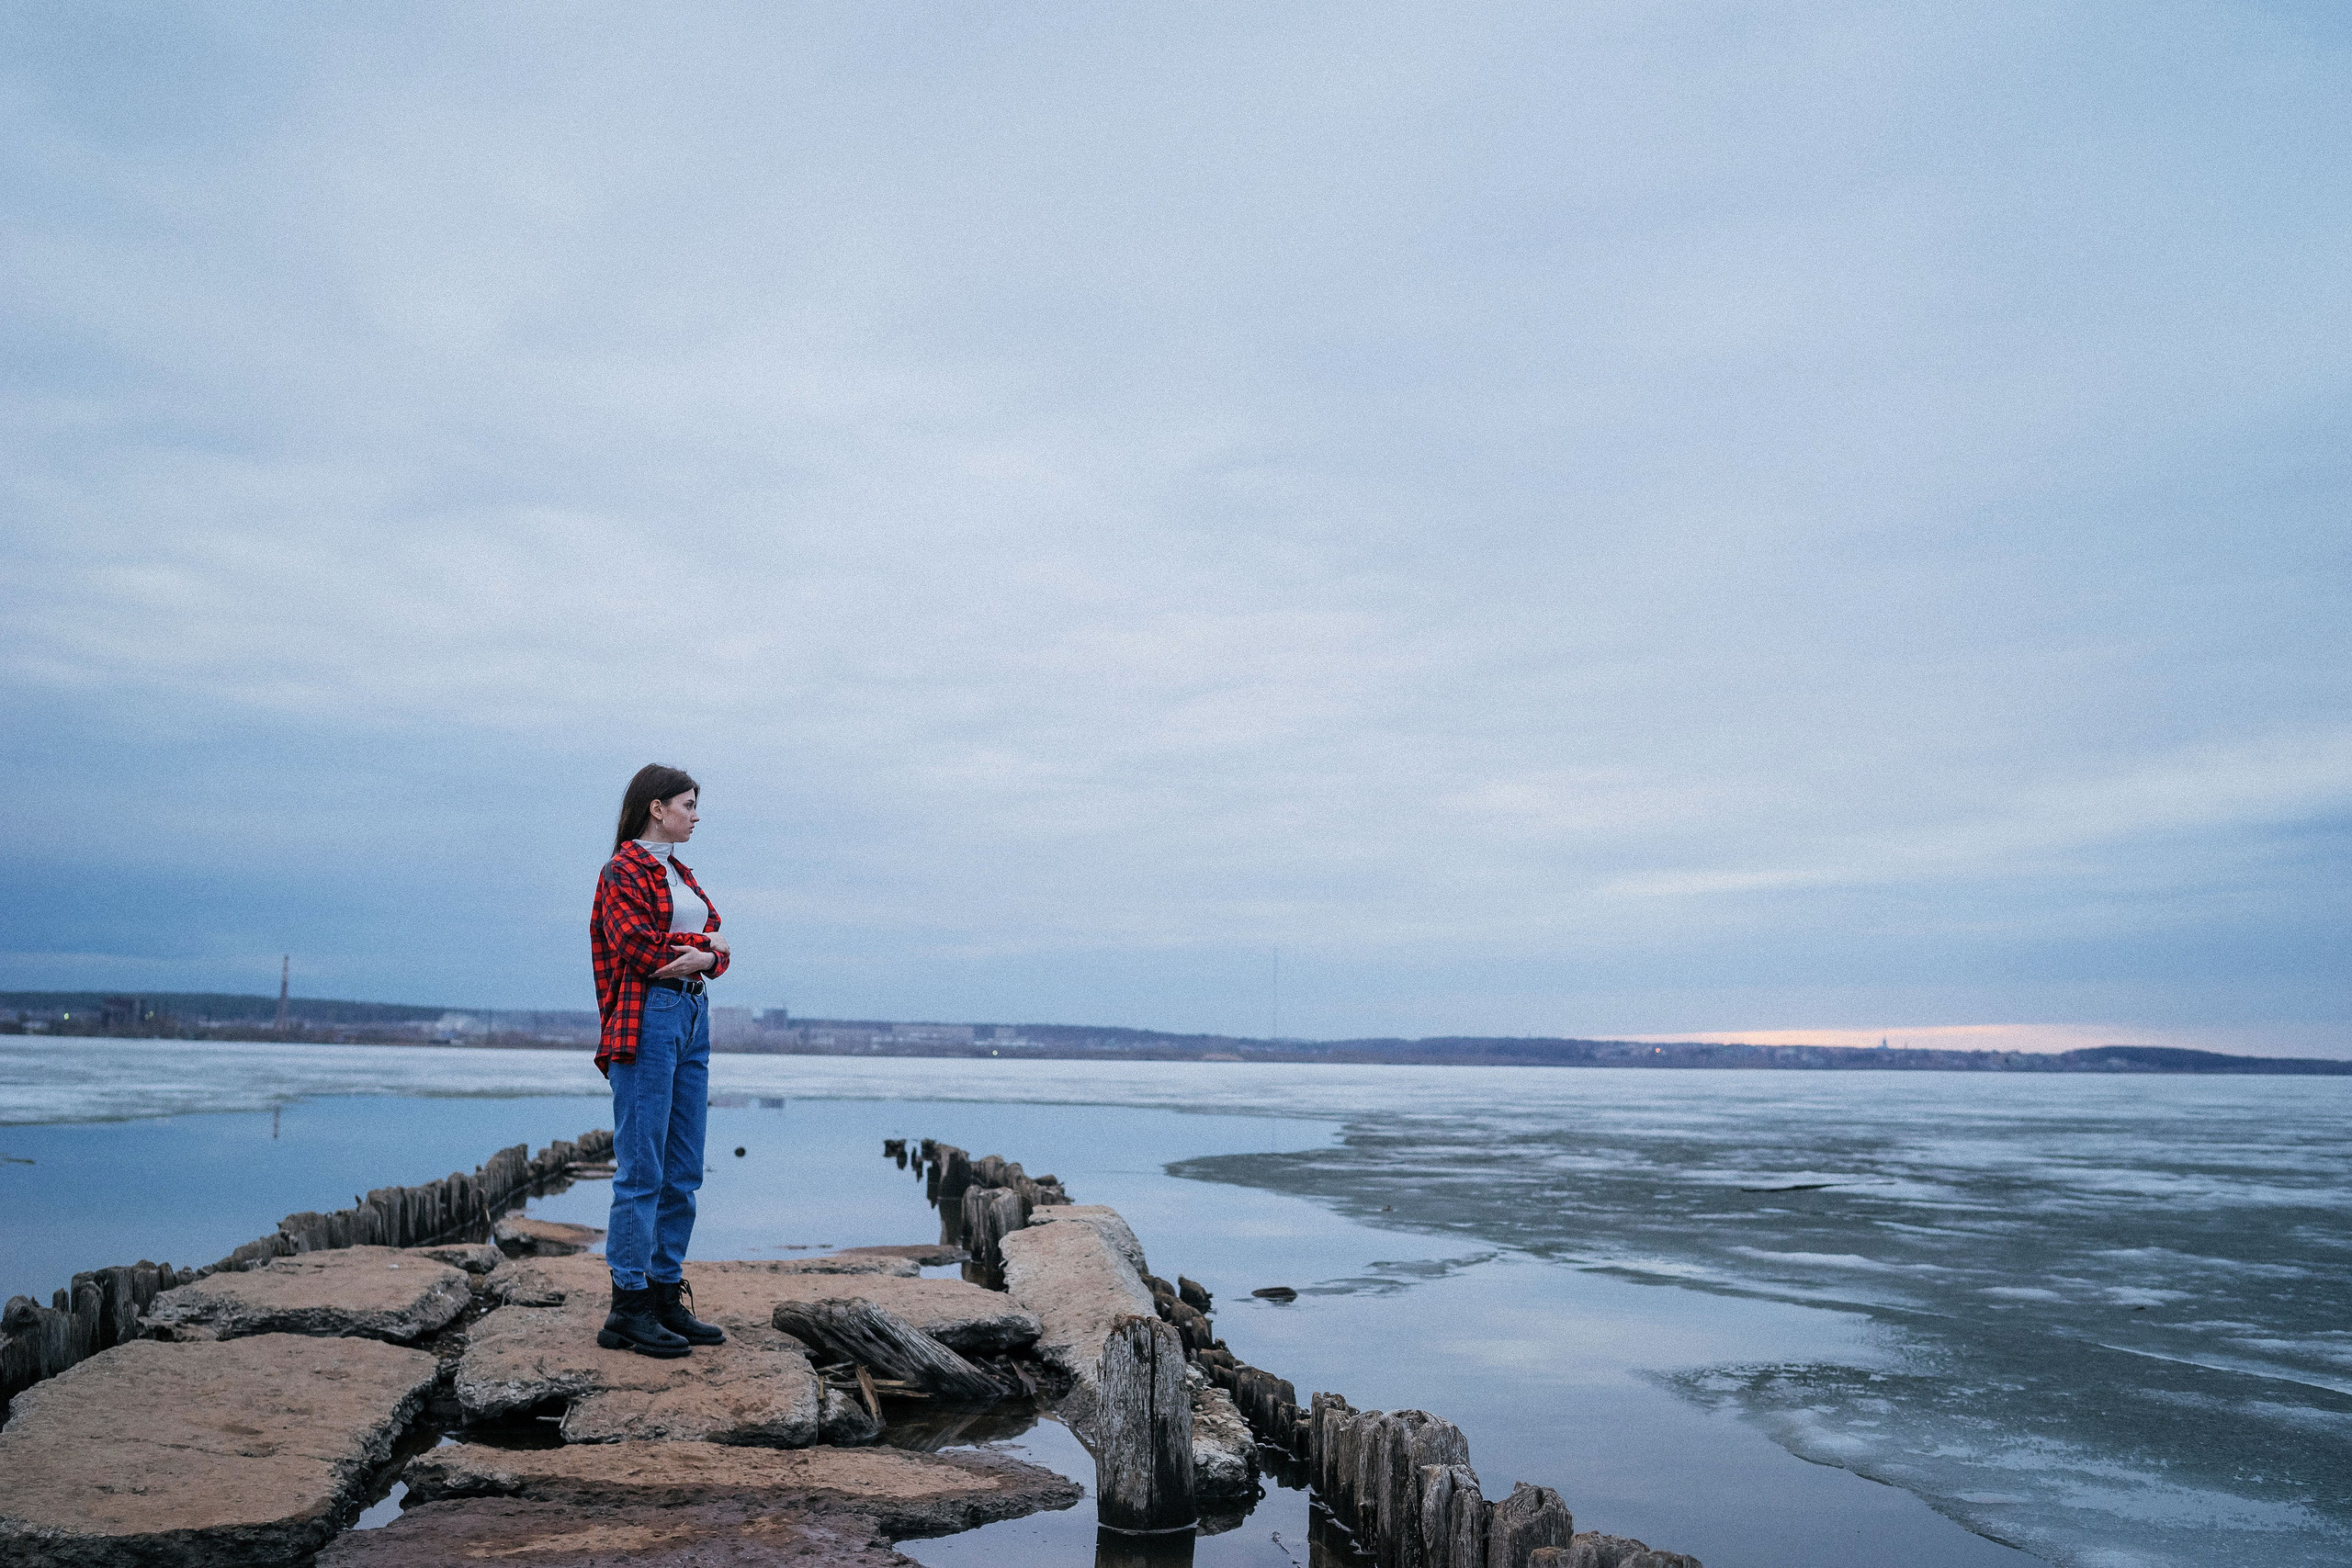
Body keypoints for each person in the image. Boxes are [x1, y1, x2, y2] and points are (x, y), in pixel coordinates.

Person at [589, 763, 732, 1357]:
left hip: (692, 1015)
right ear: (657, 807)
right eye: (689, 804)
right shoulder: (623, 868)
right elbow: (638, 948)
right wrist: (705, 951)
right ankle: (628, 1307)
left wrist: (703, 957)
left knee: (684, 1167)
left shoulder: (679, 873)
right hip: (646, 1016)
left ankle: (665, 1292)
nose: (696, 815)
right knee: (642, 1169)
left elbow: (720, 939)